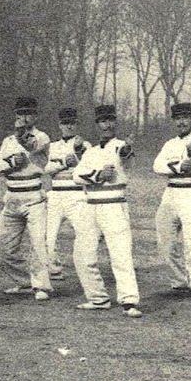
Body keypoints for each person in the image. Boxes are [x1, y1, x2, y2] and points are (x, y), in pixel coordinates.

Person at [72, 104, 141, 316]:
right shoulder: (90, 151)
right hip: (89, 207)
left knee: (120, 254)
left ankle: (129, 301)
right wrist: (98, 175)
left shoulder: (120, 146)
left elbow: (126, 156)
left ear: (115, 122)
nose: (107, 125)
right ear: (97, 124)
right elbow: (76, 176)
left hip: (113, 205)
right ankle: (97, 298)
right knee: (83, 256)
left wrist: (129, 149)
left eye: (110, 120)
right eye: (103, 121)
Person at [0, 95, 52, 301]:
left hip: (34, 196)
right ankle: (24, 282)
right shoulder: (7, 141)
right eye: (20, 114)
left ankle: (41, 285)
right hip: (11, 197)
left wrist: (21, 137)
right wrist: (11, 164)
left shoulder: (42, 137)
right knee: (6, 247)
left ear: (35, 116)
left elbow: (32, 146)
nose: (24, 118)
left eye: (28, 114)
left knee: (38, 243)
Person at [153, 101, 191, 300]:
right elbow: (157, 165)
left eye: (185, 118)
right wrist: (178, 166)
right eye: (178, 119)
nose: (182, 122)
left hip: (190, 192)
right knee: (165, 242)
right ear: (174, 121)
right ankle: (179, 282)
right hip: (170, 192)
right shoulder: (169, 144)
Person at [43, 108, 92, 282]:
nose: (69, 127)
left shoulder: (85, 145)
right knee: (48, 236)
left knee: (85, 234)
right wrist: (64, 163)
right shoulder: (53, 146)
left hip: (77, 195)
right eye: (65, 123)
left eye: (72, 123)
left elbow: (88, 167)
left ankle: (86, 271)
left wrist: (76, 157)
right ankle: (54, 269)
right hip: (56, 194)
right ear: (60, 125)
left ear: (77, 125)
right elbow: (46, 169)